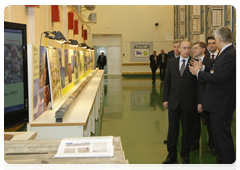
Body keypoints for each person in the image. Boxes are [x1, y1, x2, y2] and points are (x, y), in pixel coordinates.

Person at [189, 26, 238, 170]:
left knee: (223, 139)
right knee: (218, 138)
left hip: (221, 104)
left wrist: (198, 73)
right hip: (218, 104)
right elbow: (216, 71)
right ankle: (221, 164)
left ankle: (228, 167)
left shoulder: (229, 54)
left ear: (218, 39)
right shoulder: (225, 53)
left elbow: (219, 78)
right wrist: (203, 69)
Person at [162, 40, 197, 166]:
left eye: (189, 48)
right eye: (184, 48)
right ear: (179, 49)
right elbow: (167, 82)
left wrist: (198, 102)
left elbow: (198, 85)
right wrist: (165, 99)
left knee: (187, 130)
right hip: (173, 102)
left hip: (189, 103)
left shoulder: (195, 63)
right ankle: (171, 155)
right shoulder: (171, 62)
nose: (187, 50)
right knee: (173, 130)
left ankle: (185, 155)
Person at [190, 42, 216, 156]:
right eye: (193, 48)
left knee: (210, 123)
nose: (193, 50)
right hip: (194, 97)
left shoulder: (210, 62)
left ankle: (212, 146)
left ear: (203, 49)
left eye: (196, 48)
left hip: (207, 97)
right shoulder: (191, 62)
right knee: (194, 122)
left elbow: (212, 76)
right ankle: (194, 143)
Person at [164, 39, 181, 144]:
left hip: (184, 96)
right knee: (172, 122)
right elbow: (167, 80)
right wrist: (166, 98)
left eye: (178, 47)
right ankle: (171, 139)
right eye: (175, 47)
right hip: (173, 95)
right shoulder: (170, 58)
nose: (176, 49)